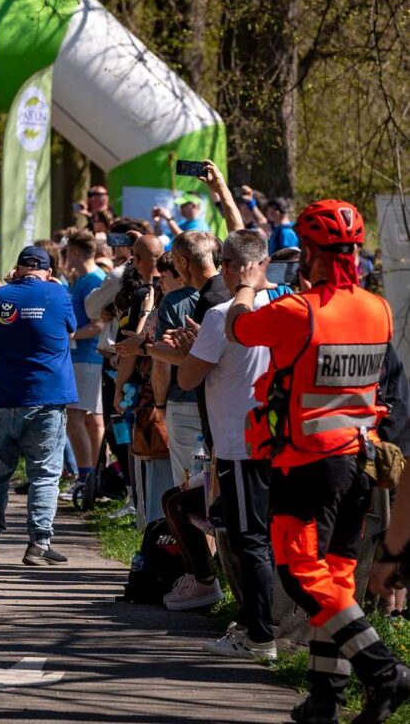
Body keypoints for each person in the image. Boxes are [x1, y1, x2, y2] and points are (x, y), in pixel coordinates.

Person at [226, 200, 410, 723]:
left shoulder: (296, 311)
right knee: (335, 576)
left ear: (308, 252)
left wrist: (247, 280)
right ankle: (326, 698)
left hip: (307, 464)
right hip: (360, 460)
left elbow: (239, 328)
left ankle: (383, 671)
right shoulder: (378, 309)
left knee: (301, 574)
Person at [172, 230, 277, 657]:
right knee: (271, 538)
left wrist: (190, 348)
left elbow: (188, 378)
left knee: (248, 538)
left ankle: (261, 635)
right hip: (278, 439)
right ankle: (269, 626)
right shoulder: (282, 306)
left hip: (237, 441)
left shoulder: (218, 317)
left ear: (232, 268)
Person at [0, 246, 75, 567]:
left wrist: (9, 286)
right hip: (46, 397)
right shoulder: (58, 294)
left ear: (17, 269)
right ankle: (38, 543)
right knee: (44, 473)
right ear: (47, 271)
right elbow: (70, 328)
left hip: (1, 397)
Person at [64, 231, 106, 483]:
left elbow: (98, 324)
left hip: (87, 358)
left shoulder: (92, 280)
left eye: (67, 252)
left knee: (75, 418)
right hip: (86, 358)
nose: (66, 258)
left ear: (76, 252)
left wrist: (69, 337)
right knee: (91, 420)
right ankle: (92, 477)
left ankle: (86, 476)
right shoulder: (84, 279)